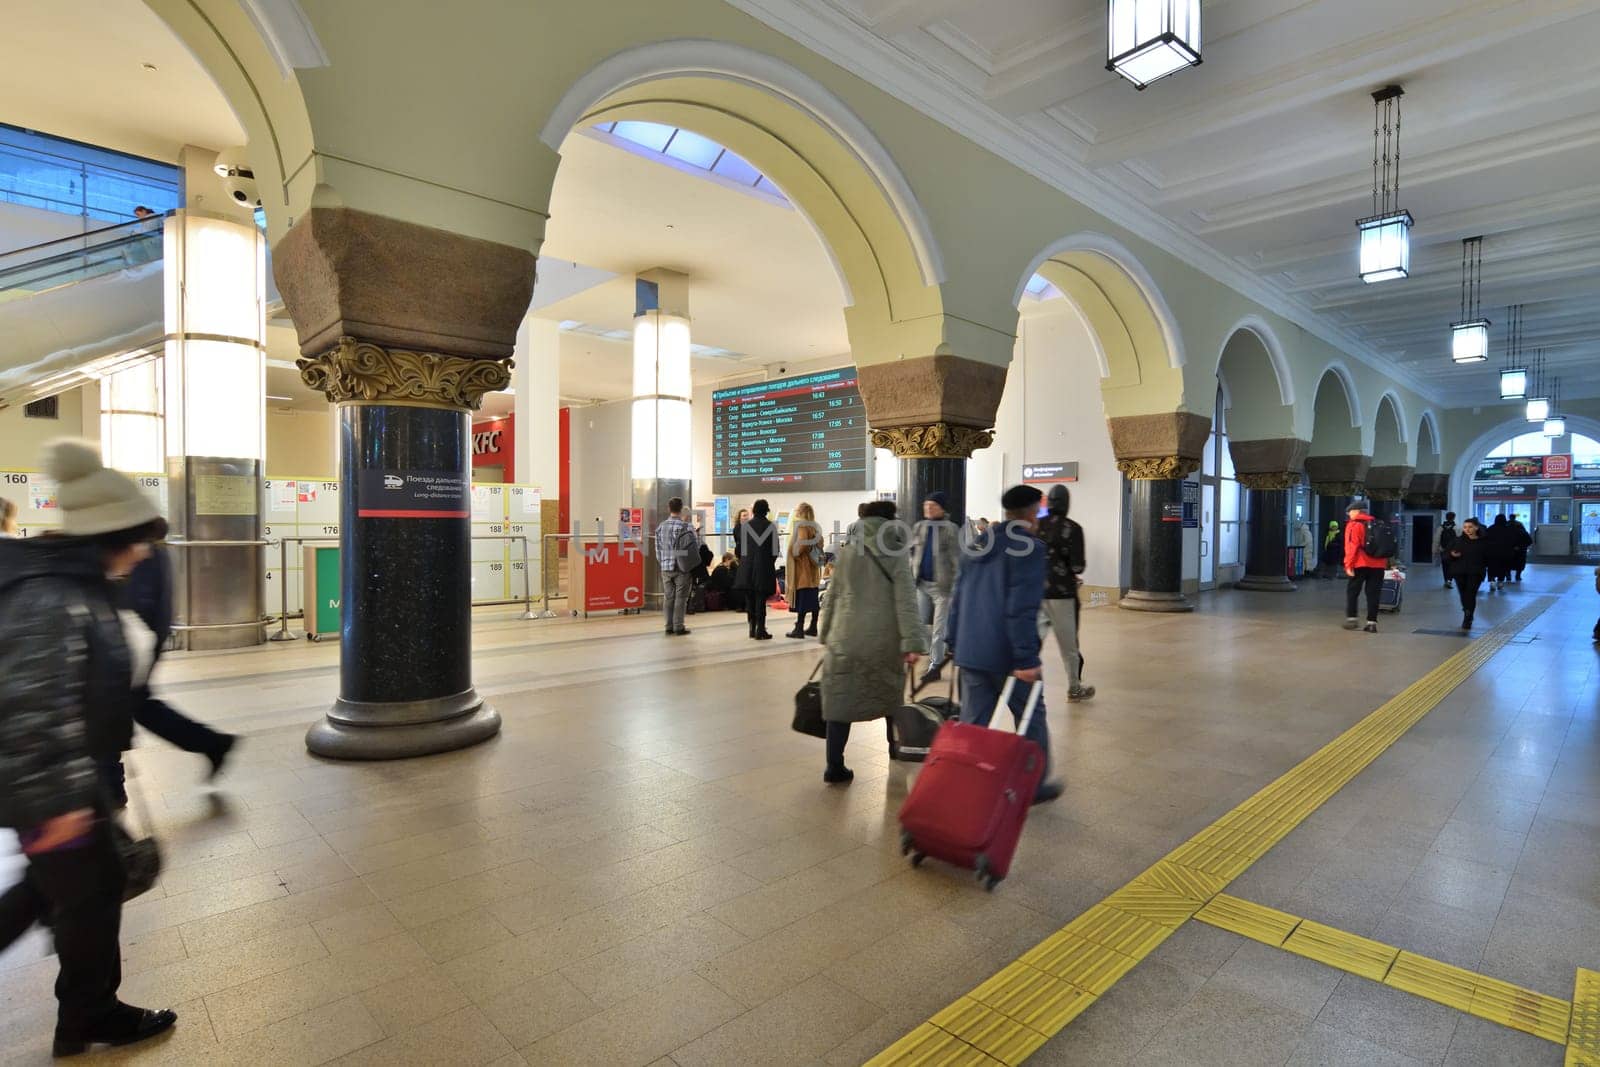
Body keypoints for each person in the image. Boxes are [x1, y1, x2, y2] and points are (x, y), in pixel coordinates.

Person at [0, 440, 177, 1056]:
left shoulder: (83, 585)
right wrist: (57, 801)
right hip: (54, 788)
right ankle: (89, 1016)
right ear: (113, 535)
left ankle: (90, 1012)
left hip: (73, 780)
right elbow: (32, 708)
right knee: (79, 896)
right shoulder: (54, 596)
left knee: (74, 892)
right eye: (141, 538)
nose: (146, 552)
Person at [947, 485, 1062, 805]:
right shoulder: (1030, 548)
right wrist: (1026, 660)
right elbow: (1020, 607)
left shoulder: (979, 542)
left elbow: (958, 597)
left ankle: (959, 784)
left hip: (971, 650)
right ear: (1030, 513)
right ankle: (1035, 784)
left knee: (973, 725)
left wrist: (953, 639)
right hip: (1007, 655)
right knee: (1032, 717)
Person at [102, 544, 238, 801]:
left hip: (130, 644)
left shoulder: (140, 550)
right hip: (134, 642)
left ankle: (110, 789)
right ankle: (213, 743)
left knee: (115, 709)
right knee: (138, 707)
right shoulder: (151, 551)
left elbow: (138, 605)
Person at [817, 500, 927, 783]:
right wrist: (912, 641)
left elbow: (832, 595)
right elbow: (905, 599)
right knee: (890, 698)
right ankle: (896, 748)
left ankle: (834, 765)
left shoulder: (847, 551)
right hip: (883, 638)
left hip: (845, 636)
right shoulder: (896, 549)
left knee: (840, 701)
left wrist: (825, 630)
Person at [1038, 484, 1093, 702]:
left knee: (1033, 642)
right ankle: (1074, 687)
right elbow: (1078, 566)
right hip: (1062, 594)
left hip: (1037, 592)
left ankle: (1021, 683)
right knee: (1069, 645)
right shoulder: (1073, 528)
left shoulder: (1036, 526)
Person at [910, 491, 960, 686]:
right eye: (926, 505)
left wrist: (957, 587)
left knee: (939, 627)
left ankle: (935, 665)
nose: (928, 508)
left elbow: (957, 559)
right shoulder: (919, 527)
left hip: (942, 587)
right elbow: (913, 553)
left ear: (942, 508)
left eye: (933, 505)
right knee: (920, 625)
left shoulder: (951, 529)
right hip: (921, 583)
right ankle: (936, 651)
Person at [653, 497, 699, 637]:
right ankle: (678, 626)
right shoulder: (687, 526)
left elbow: (658, 550)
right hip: (682, 567)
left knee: (668, 597)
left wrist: (663, 563)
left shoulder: (661, 527)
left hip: (666, 568)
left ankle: (668, 626)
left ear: (669, 508)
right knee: (681, 598)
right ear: (681, 509)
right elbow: (695, 546)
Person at [734, 499, 779, 639]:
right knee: (761, 599)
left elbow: (739, 549)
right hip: (763, 568)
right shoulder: (770, 526)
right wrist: (768, 563)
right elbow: (775, 550)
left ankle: (752, 628)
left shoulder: (745, 526)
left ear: (754, 511)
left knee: (750, 598)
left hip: (747, 567)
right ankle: (761, 629)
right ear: (766, 511)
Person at [1342, 499, 1387, 633]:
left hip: (1360, 563)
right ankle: (1372, 623)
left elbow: (1352, 546)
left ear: (1356, 511)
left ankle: (1352, 619)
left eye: (1349, 512)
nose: (1349, 515)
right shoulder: (1378, 523)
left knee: (1353, 591)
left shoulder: (1354, 525)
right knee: (1373, 594)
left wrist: (1348, 565)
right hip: (1379, 564)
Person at [786, 503, 823, 638]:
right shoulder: (815, 527)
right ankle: (813, 626)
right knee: (813, 599)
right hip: (813, 569)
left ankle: (799, 628)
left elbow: (801, 545)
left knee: (802, 599)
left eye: (797, 509)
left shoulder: (802, 526)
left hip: (803, 568)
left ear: (801, 512)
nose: (795, 510)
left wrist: (792, 551)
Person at [1446, 517, 1489, 629]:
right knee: (1463, 594)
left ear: (1476, 527)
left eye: (1470, 527)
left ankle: (1468, 617)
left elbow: (1489, 558)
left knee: (1471, 593)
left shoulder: (1483, 542)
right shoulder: (1457, 541)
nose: (1467, 529)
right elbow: (1446, 556)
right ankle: (1467, 610)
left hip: (1476, 572)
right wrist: (1452, 555)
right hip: (1459, 572)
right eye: (1465, 527)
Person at [1484, 514, 1513, 591]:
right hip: (1504, 552)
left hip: (1492, 552)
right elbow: (1512, 541)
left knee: (1491, 567)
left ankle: (1492, 581)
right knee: (1503, 567)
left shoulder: (1490, 529)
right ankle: (1500, 582)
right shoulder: (1508, 529)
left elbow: (1485, 540)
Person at [1507, 514, 1533, 581]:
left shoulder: (1506, 526)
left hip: (1508, 550)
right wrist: (1522, 546)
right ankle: (1518, 576)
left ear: (1509, 517)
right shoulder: (1520, 527)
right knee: (1520, 563)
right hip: (1521, 550)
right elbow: (1529, 541)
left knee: (1507, 563)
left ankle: (1508, 576)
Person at [1435, 512, 1458, 588]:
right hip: (1453, 551)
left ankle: (1446, 581)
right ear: (1454, 518)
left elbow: (1436, 540)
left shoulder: (1440, 528)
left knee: (1445, 566)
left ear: (1446, 517)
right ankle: (1449, 580)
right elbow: (1461, 540)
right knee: (1453, 565)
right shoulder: (1457, 528)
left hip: (1443, 550)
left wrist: (1435, 550)